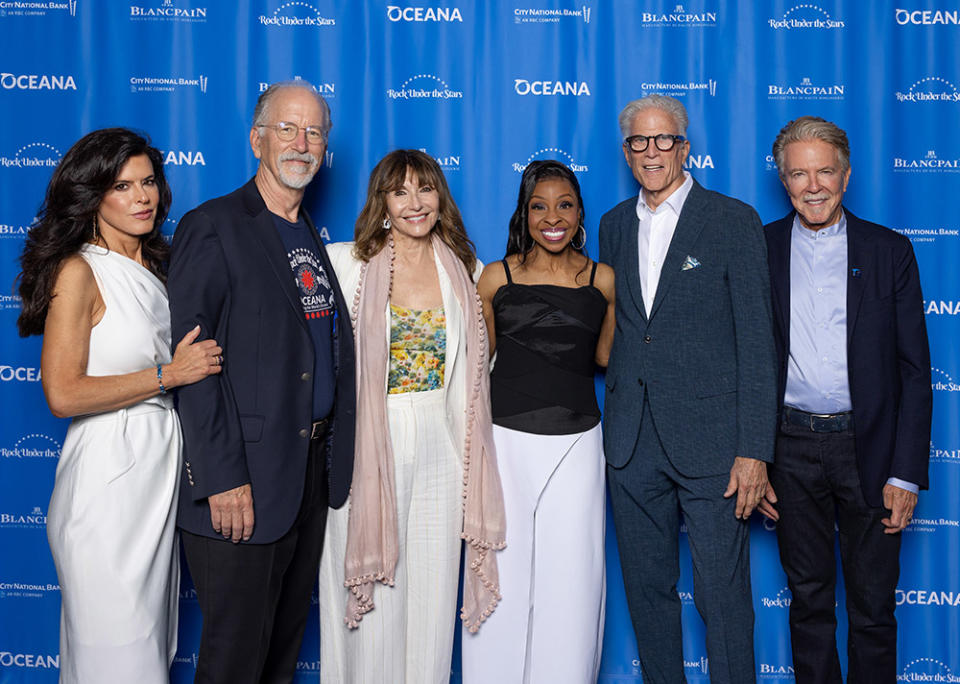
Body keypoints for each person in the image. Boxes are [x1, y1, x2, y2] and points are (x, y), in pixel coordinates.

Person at [15, 127, 222, 683]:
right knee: (118, 660)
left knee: (149, 655)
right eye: (122, 186)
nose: (142, 197)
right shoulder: (79, 270)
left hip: (156, 477)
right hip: (107, 481)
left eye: (149, 181)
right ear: (93, 196)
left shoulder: (161, 268)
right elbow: (62, 393)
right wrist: (169, 374)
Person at [166, 80, 356, 683]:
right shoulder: (215, 225)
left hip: (305, 476)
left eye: (314, 131)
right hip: (240, 483)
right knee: (233, 663)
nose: (302, 143)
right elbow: (192, 365)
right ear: (257, 139)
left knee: (278, 657)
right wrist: (222, 478)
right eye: (287, 129)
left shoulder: (310, 238)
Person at [598, 94, 778, 684]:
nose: (652, 153)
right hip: (631, 442)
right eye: (639, 143)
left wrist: (755, 449)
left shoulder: (732, 219)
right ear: (627, 152)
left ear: (685, 146)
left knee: (722, 600)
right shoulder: (613, 225)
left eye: (664, 140)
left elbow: (758, 342)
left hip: (714, 447)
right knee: (648, 597)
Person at [317, 149, 505, 684]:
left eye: (424, 189)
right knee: (373, 599)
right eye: (400, 191)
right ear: (382, 202)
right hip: (366, 444)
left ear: (439, 197)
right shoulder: (344, 262)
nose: (415, 203)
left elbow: (479, 364)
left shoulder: (466, 269)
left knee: (430, 591)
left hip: (442, 444)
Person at [758, 116, 932, 683]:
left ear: (847, 176)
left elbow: (914, 371)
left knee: (874, 609)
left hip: (873, 449)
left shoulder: (889, 251)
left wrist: (906, 474)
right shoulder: (759, 248)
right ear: (783, 182)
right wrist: (755, 456)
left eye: (825, 171)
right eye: (799, 174)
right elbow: (743, 365)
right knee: (808, 604)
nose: (813, 185)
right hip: (790, 448)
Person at [460, 160, 615, 683]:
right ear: (524, 214)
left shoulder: (604, 280)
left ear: (580, 213)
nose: (553, 217)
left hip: (577, 447)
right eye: (539, 206)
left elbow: (604, 359)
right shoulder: (494, 276)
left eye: (565, 205)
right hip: (504, 445)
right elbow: (480, 364)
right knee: (501, 576)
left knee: (571, 580)